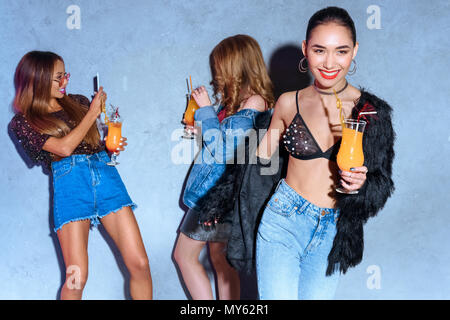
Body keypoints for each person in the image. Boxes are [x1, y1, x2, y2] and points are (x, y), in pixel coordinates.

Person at [254, 7, 395, 299]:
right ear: (306, 49)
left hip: (333, 230)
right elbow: (259, 161)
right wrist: (235, 122)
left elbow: (383, 182)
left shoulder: (370, 111)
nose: (330, 62)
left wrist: (363, 186)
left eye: (341, 51)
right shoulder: (288, 102)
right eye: (319, 50)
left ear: (354, 51)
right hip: (283, 219)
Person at [9, 51, 153, 300]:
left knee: (139, 263)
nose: (66, 81)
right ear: (38, 80)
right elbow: (64, 148)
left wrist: (110, 145)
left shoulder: (79, 102)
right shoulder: (24, 122)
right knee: (77, 277)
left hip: (104, 173)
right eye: (59, 77)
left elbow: (91, 140)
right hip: (71, 184)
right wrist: (92, 114)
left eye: (65, 74)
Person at [173, 34, 274, 300]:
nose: (216, 74)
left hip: (216, 195)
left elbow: (223, 152)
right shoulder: (238, 103)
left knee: (184, 256)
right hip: (224, 194)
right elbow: (227, 142)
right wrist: (200, 127)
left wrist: (205, 109)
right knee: (220, 261)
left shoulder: (253, 104)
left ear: (236, 65)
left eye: (220, 67)